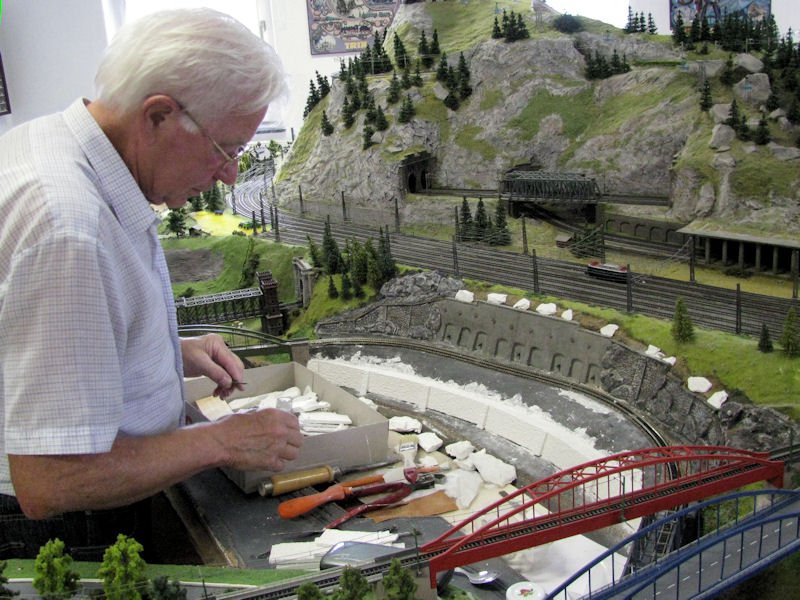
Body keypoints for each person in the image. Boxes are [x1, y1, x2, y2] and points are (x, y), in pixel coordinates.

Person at [0, 8, 303, 559]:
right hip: (76, 528)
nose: (231, 174)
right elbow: (51, 481)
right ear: (159, 116)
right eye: (228, 148)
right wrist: (222, 440)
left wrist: (164, 349)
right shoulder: (70, 227)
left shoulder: (58, 147)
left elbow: (45, 343)